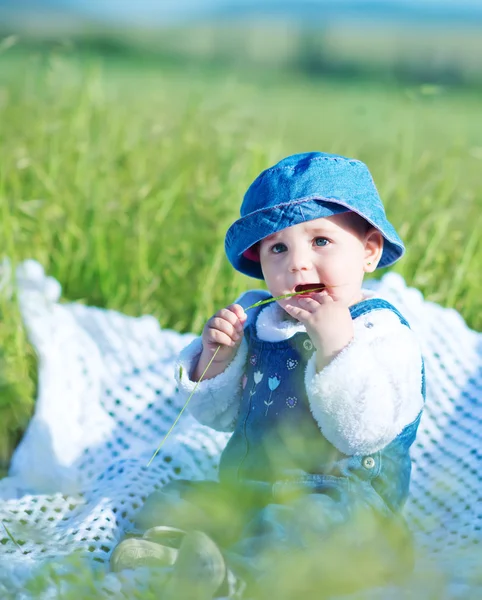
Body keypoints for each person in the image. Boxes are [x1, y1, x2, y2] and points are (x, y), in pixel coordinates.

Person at [110, 152, 425, 599]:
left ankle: (236, 580)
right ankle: (177, 552)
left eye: (320, 241)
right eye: (278, 248)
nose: (297, 264)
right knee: (177, 496)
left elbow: (366, 432)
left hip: (343, 504)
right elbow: (220, 415)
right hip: (252, 489)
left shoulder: (381, 330)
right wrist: (217, 361)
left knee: (304, 528)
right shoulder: (262, 321)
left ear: (369, 251)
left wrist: (337, 346)